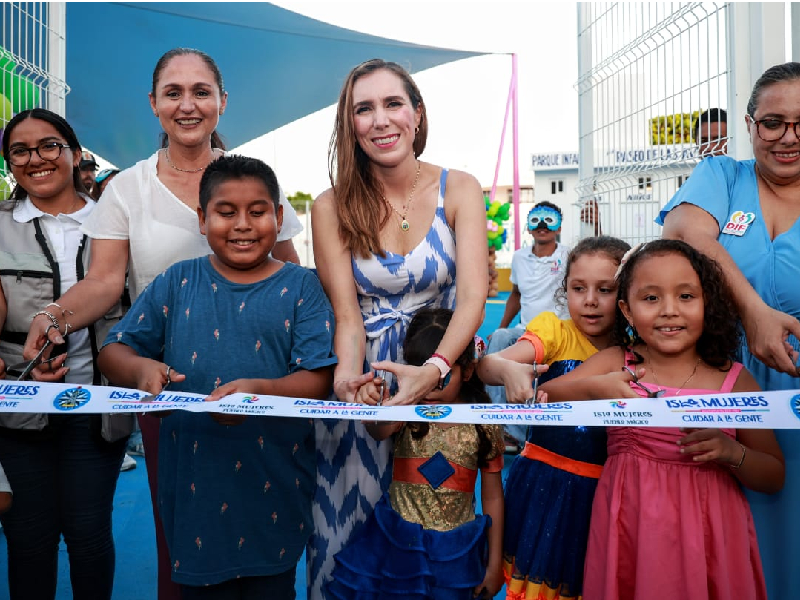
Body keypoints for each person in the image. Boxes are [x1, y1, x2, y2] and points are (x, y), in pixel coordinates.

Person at [23, 48, 304, 600]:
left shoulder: (254, 179)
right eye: (173, 93)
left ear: (223, 102)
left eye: (201, 91)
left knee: (270, 522)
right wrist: (54, 315)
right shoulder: (127, 188)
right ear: (153, 105)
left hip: (267, 385)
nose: (188, 104)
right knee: (182, 536)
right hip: (171, 386)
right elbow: (105, 283)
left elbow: (291, 275)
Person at [98, 155, 336, 599]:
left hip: (276, 484)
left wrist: (260, 392)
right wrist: (141, 367)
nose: (242, 224)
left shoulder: (303, 286)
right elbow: (113, 349)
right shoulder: (176, 281)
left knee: (271, 583)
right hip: (193, 486)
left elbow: (317, 378)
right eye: (226, 213)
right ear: (202, 219)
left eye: (258, 211)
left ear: (279, 218)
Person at [309, 58, 488, 598]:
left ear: (417, 114)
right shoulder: (330, 205)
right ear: (350, 124)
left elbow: (475, 297)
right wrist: (347, 381)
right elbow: (346, 316)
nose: (380, 120)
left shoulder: (461, 187)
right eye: (364, 108)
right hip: (372, 387)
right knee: (348, 541)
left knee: (432, 535)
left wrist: (433, 372)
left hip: (442, 375)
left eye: (392, 104)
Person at [542, 240, 785, 599]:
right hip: (631, 526)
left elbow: (773, 474)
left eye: (686, 296)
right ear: (626, 310)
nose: (669, 311)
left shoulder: (735, 381)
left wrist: (733, 453)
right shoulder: (615, 363)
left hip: (711, 532)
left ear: (708, 303)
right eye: (651, 298)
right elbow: (548, 396)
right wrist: (596, 388)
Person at [658, 62, 800, 598]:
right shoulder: (723, 176)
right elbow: (686, 234)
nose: (788, 137)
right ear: (750, 125)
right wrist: (754, 313)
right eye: (773, 122)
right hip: (714, 389)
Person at [0, 108, 132, 600]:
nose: (35, 158)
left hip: (97, 411)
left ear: (76, 154)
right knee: (28, 540)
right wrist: (20, 376)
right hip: (17, 411)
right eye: (20, 150)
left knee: (89, 535)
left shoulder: (115, 222)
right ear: (10, 164)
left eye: (49, 145)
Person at [476, 236, 630, 600]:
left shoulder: (638, 349)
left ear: (626, 295)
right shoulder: (555, 333)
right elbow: (487, 366)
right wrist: (508, 371)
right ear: (566, 291)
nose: (590, 300)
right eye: (578, 288)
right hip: (543, 488)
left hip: (606, 495)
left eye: (604, 289)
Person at [326, 308, 504, 599]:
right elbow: (378, 431)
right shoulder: (406, 410)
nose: (428, 384)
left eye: (440, 375)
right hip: (396, 545)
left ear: (468, 370)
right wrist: (378, 402)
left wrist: (494, 564)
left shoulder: (483, 422)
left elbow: (494, 496)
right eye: (417, 370)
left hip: (454, 553)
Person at [484, 201, 570, 449]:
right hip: (524, 330)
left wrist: (594, 223)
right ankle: (494, 424)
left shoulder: (567, 256)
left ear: (559, 226)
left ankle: (516, 434)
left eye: (549, 220)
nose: (542, 225)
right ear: (529, 228)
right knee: (499, 339)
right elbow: (516, 295)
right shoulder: (519, 257)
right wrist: (499, 327)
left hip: (556, 331)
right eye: (536, 220)